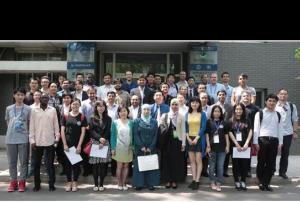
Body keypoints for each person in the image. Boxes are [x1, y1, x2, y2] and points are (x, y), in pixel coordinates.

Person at [29, 93, 60, 192]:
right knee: (36, 164)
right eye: (43, 98)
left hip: (50, 141)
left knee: (50, 164)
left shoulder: (53, 110)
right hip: (37, 142)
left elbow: (56, 125)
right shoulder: (34, 110)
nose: (45, 99)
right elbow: (31, 127)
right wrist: (32, 140)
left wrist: (57, 138)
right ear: (39, 99)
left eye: (47, 98)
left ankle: (51, 184)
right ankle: (37, 185)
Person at [253, 94, 283, 191]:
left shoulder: (278, 114)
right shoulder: (260, 113)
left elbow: (280, 129)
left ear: (276, 103)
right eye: (270, 100)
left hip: (274, 141)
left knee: (271, 163)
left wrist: (280, 142)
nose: (272, 103)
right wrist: (255, 142)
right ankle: (261, 182)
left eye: (274, 101)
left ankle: (266, 183)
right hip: (263, 140)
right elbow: (256, 129)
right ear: (266, 102)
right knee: (261, 162)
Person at [5, 87, 31, 192]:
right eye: (18, 94)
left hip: (23, 138)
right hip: (10, 139)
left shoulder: (28, 109)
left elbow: (29, 123)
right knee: (12, 162)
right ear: (14, 95)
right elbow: (7, 121)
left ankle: (22, 182)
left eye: (22, 95)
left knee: (23, 162)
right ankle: (13, 182)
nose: (20, 96)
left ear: (24, 96)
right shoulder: (9, 108)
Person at [61, 98, 87, 192]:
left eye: (77, 104)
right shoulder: (65, 116)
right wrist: (64, 144)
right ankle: (69, 182)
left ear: (79, 106)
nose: (75, 106)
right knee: (67, 164)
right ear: (70, 105)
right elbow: (62, 131)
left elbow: (83, 132)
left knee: (76, 164)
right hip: (67, 144)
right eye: (73, 104)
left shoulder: (82, 117)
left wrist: (79, 145)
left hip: (77, 144)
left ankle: (75, 182)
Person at [159, 98, 186, 189]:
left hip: (176, 141)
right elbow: (161, 128)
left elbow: (183, 130)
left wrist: (183, 143)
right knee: (166, 161)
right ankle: (167, 180)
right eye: (173, 104)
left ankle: (174, 180)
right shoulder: (165, 115)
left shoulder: (181, 116)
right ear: (170, 105)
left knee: (175, 161)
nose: (174, 106)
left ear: (178, 106)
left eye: (176, 104)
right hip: (167, 142)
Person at [132, 104, 160, 191]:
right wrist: (141, 146)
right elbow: (135, 134)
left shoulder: (154, 121)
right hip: (140, 148)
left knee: (150, 165)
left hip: (151, 147)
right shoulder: (136, 121)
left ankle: (150, 184)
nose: (146, 111)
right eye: (144, 109)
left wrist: (151, 147)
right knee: (139, 166)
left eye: (148, 109)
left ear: (150, 111)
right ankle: (139, 184)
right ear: (142, 110)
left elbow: (156, 135)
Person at [89, 100, 112, 191]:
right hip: (95, 143)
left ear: (105, 107)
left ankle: (101, 184)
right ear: (96, 107)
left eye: (103, 106)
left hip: (105, 143)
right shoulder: (92, 118)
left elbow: (108, 131)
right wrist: (99, 138)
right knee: (95, 165)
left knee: (103, 165)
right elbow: (91, 131)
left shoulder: (109, 118)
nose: (101, 107)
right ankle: (95, 184)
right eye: (99, 106)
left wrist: (103, 140)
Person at [228, 103, 252, 191]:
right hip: (235, 146)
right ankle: (237, 181)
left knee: (244, 165)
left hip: (245, 146)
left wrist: (246, 144)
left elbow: (250, 132)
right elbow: (230, 132)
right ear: (234, 110)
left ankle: (243, 181)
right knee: (236, 165)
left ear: (243, 110)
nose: (238, 111)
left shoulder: (247, 120)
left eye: (240, 109)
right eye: (237, 109)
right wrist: (236, 144)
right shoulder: (231, 121)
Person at [206, 105, 230, 192]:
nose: (217, 113)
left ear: (221, 113)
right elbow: (207, 135)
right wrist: (208, 146)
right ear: (212, 112)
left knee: (220, 166)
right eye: (215, 111)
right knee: (211, 167)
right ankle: (212, 182)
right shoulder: (209, 122)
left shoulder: (224, 122)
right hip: (212, 148)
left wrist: (227, 145)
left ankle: (219, 183)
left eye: (218, 111)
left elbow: (226, 135)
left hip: (222, 148)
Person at [275, 88, 298, 179]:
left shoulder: (292, 106)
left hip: (288, 133)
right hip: (275, 133)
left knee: (285, 153)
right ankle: (272, 170)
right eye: (281, 94)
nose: (283, 96)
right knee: (273, 153)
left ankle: (282, 172)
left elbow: (295, 120)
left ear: (287, 95)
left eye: (285, 94)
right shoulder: (274, 105)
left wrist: (295, 132)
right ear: (278, 95)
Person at [185, 97, 207, 190]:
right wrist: (188, 138)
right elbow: (186, 127)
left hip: (199, 139)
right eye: (192, 102)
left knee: (198, 161)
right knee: (192, 161)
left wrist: (197, 138)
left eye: (196, 102)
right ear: (190, 104)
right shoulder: (187, 114)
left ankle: (197, 181)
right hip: (189, 139)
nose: (194, 104)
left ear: (199, 104)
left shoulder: (202, 114)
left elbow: (203, 127)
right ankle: (193, 180)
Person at [111, 105, 134, 191]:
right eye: (121, 111)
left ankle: (124, 183)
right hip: (118, 147)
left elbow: (133, 135)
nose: (123, 113)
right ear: (118, 113)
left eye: (125, 111)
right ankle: (119, 183)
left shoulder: (131, 122)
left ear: (128, 112)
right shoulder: (115, 122)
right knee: (119, 166)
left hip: (128, 147)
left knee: (126, 166)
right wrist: (113, 148)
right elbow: (113, 136)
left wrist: (133, 146)